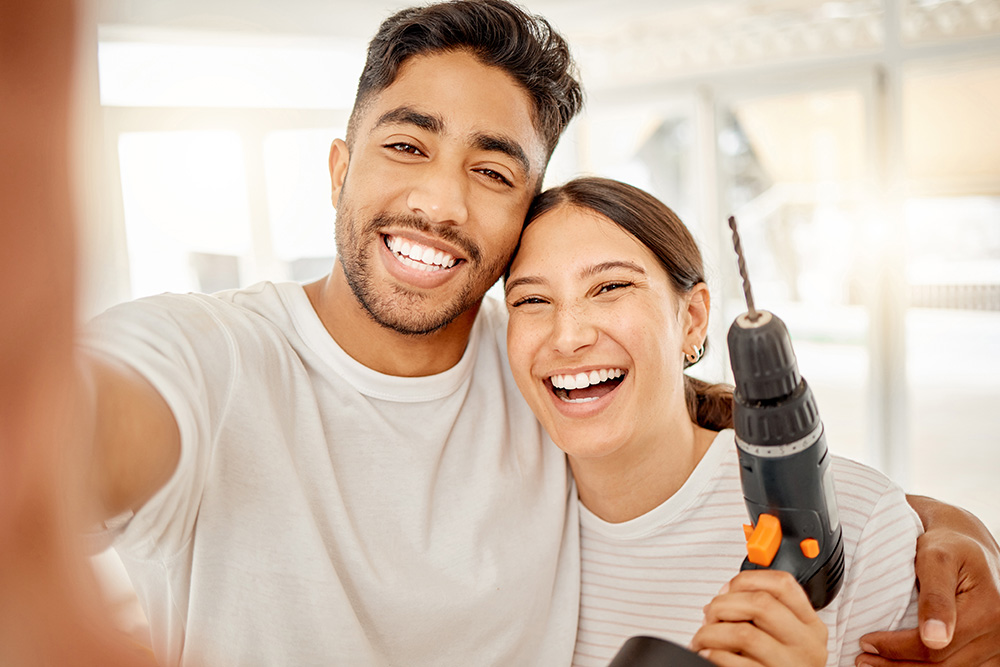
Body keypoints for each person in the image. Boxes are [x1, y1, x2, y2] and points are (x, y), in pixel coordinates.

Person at [2, 0, 999, 665]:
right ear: (340, 167)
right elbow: (62, 433)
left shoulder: (532, 369)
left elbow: (756, 465)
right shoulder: (207, 362)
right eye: (405, 145)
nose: (438, 200)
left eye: (491, 169)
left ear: (520, 208)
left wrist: (953, 533)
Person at [501, 176, 919, 666]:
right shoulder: (492, 523)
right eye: (531, 300)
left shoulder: (864, 521)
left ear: (693, 319)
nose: (567, 337)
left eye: (611, 287)